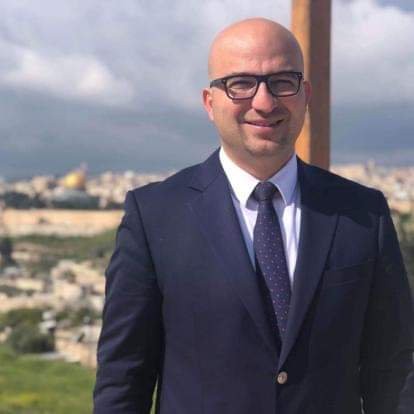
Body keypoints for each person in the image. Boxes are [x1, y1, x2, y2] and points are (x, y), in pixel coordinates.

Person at [93, 18, 414, 414]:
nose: (264, 101)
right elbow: (124, 378)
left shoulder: (362, 213)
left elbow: (393, 369)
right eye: (241, 83)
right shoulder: (155, 216)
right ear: (210, 103)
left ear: (305, 95)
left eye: (282, 81)